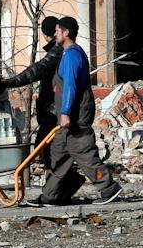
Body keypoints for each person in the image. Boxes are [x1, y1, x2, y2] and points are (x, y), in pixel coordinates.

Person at [28, 16, 120, 206]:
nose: (55, 34)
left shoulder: (71, 55)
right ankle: (52, 195)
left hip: (75, 115)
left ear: (66, 33)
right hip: (67, 114)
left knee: (83, 151)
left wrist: (65, 113)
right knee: (58, 152)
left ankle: (108, 187)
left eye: (58, 31)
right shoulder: (67, 54)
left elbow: (70, 86)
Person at [0, 16, 62, 165]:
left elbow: (36, 70)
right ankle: (55, 183)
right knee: (49, 152)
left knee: (45, 149)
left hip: (54, 110)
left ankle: (56, 182)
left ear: (47, 34)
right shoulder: (60, 51)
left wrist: (9, 82)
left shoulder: (57, 52)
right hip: (53, 109)